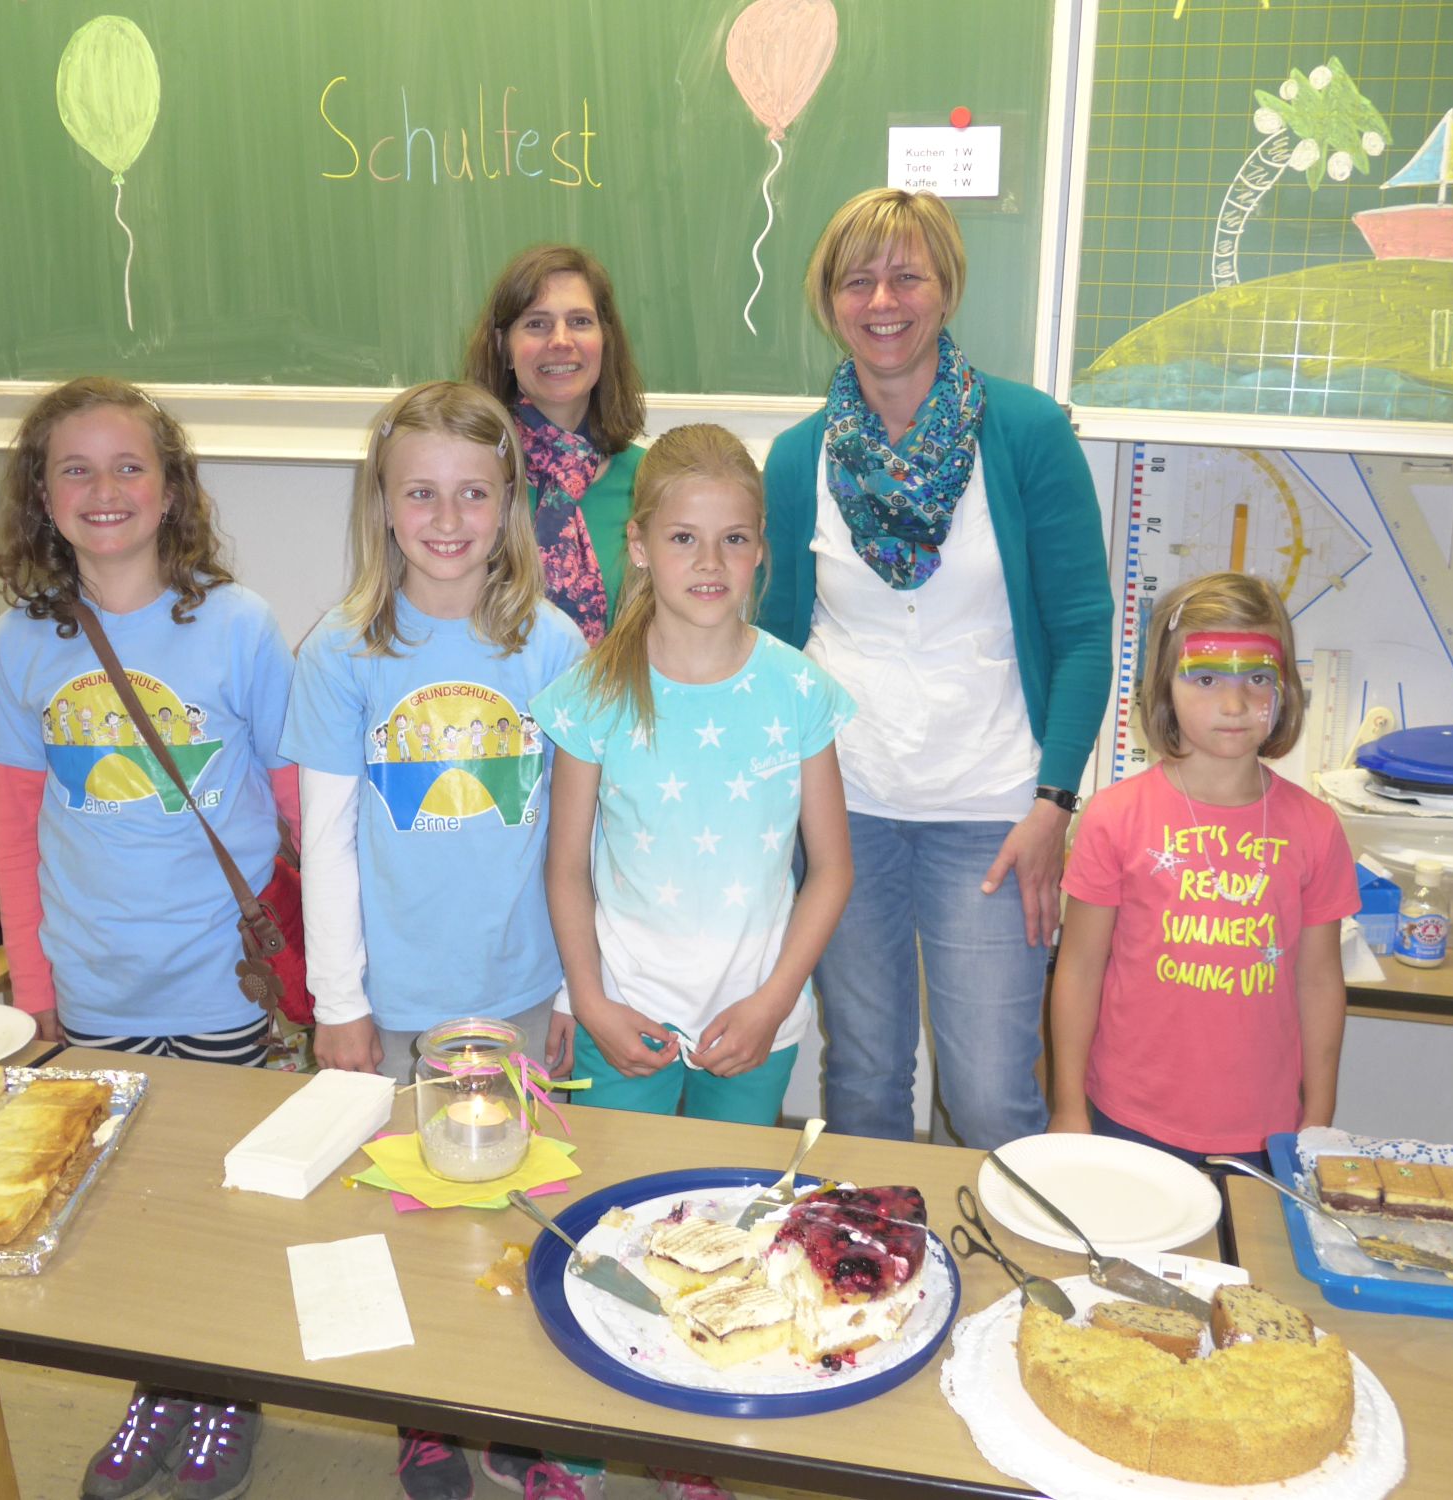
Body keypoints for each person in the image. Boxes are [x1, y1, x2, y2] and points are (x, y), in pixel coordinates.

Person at [0, 376, 295, 1500]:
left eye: (129, 466)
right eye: (75, 468)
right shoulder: (24, 638)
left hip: (218, 982)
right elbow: (15, 827)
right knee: (119, 1211)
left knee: (218, 1205)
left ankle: (224, 1390)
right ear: (42, 493)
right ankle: (155, 1385)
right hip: (95, 985)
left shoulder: (239, 626)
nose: (103, 489)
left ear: (170, 489)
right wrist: (32, 984)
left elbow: (295, 803)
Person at [277, 381, 585, 1500]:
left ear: (510, 505)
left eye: (473, 494)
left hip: (518, 987)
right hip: (396, 1003)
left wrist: (571, 987)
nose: (447, 519)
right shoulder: (340, 652)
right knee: (407, 1205)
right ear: (383, 505)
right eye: (421, 494)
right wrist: (339, 1003)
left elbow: (578, 835)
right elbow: (325, 840)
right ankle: (423, 1412)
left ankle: (512, 1402)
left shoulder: (552, 646)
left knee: (517, 1202)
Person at [532, 424, 853, 1500]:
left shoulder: (798, 690)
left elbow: (831, 871)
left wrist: (772, 1001)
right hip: (624, 1015)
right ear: (638, 547)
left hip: (753, 1027)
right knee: (603, 1232)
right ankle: (578, 1441)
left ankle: (690, 1442)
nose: (709, 563)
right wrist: (588, 998)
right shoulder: (594, 690)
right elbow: (565, 869)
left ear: (763, 549)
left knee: (723, 1239)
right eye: (682, 538)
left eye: (733, 539)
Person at [757, 187, 1112, 1148]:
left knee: (992, 1096)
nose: (883, 301)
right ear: (830, 301)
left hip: (994, 813)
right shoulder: (797, 459)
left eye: (906, 276)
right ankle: (872, 1248)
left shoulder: (1027, 432)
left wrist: (1054, 804)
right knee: (865, 1079)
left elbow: (1085, 629)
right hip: (845, 810)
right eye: (858, 281)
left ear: (946, 289)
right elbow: (774, 646)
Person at [1048, 572, 1358, 1167]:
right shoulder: (1114, 817)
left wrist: (1318, 1116)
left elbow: (1320, 983)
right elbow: (1080, 969)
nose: (1235, 705)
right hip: (1128, 1117)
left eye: (1258, 678)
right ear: (1165, 686)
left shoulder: (1316, 827)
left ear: (1286, 688)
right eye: (1208, 678)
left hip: (1263, 1131)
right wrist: (1068, 1107)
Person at [463, 244, 647, 644]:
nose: (561, 340)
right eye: (537, 324)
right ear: (503, 346)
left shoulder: (653, 481)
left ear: (605, 340)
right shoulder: (468, 481)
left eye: (580, 321)